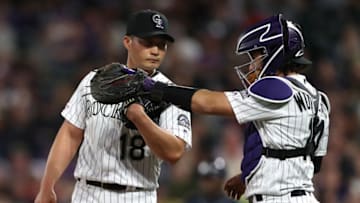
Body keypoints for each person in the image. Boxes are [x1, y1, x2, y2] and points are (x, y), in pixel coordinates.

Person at [122, 14, 331, 203]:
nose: (252, 66)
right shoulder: (319, 98)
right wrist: (249, 175)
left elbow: (206, 103)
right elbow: (310, 160)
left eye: (256, 56)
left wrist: (155, 88)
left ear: (273, 53)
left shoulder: (275, 87)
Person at [35, 9, 192, 203]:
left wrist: (141, 119)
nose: (155, 51)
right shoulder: (94, 81)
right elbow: (70, 133)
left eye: (161, 45)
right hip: (88, 193)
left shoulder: (172, 94)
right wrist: (47, 186)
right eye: (148, 43)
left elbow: (174, 152)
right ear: (127, 42)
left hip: (138, 195)